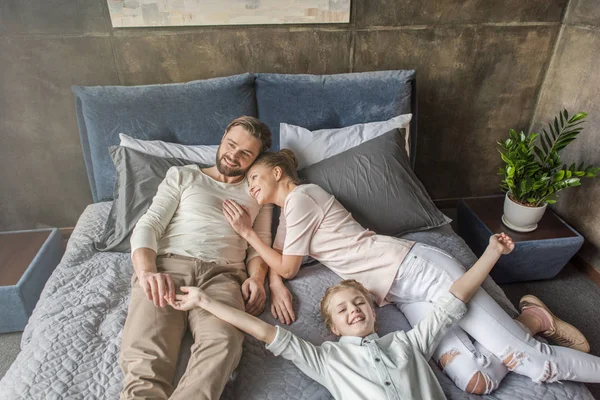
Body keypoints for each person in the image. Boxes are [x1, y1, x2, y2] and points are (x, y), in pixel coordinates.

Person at [220, 149, 599, 394]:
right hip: (401, 291)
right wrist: (272, 280)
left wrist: (247, 232)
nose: (250, 187)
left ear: (275, 171)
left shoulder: (302, 198)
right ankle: (532, 318)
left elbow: (286, 262)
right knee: (473, 378)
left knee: (530, 360)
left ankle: (534, 339)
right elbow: (282, 264)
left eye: (253, 178)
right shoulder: (290, 212)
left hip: (419, 270)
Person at [166, 234, 512, 400]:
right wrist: (204, 302)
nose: (354, 310)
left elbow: (453, 300)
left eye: (359, 303)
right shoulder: (326, 359)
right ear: (332, 327)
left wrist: (492, 252)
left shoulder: (407, 342)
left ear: (373, 311)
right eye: (343, 309)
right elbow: (262, 330)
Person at [119, 116, 294, 400]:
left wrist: (256, 279)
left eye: (245, 154)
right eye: (231, 145)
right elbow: (149, 225)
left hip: (223, 277)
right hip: (168, 266)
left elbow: (258, 246)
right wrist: (147, 272)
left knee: (223, 344)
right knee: (145, 355)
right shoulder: (183, 176)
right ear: (224, 135)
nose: (233, 156)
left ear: (257, 158)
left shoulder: (257, 193)